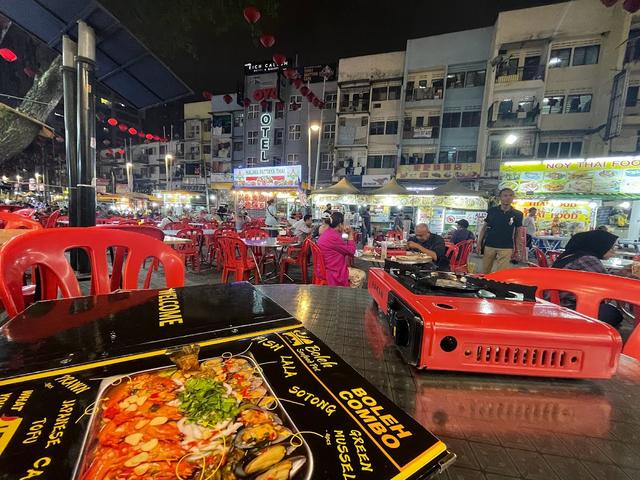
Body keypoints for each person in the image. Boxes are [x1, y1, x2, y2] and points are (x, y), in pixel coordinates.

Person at [551, 230, 623, 328]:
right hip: (568, 310)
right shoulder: (587, 259)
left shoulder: (570, 255)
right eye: (611, 247)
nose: (614, 251)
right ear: (599, 245)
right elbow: (610, 288)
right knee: (613, 313)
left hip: (553, 305)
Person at [477, 188, 523, 273]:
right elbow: (484, 228)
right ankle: (484, 285)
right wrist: (479, 243)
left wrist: (518, 249)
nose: (508, 198)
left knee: (502, 273)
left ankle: (497, 286)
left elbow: (518, 233)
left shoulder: (518, 214)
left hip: (506, 247)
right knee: (485, 271)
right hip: (489, 245)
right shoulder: (492, 211)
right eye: (505, 195)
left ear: (513, 198)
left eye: (510, 195)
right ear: (500, 198)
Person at [317, 212, 366, 288]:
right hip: (332, 270)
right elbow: (351, 252)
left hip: (324, 267)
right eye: (343, 224)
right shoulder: (334, 237)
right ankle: (347, 294)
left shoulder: (328, 232)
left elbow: (338, 245)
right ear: (340, 225)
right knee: (360, 275)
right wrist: (350, 234)